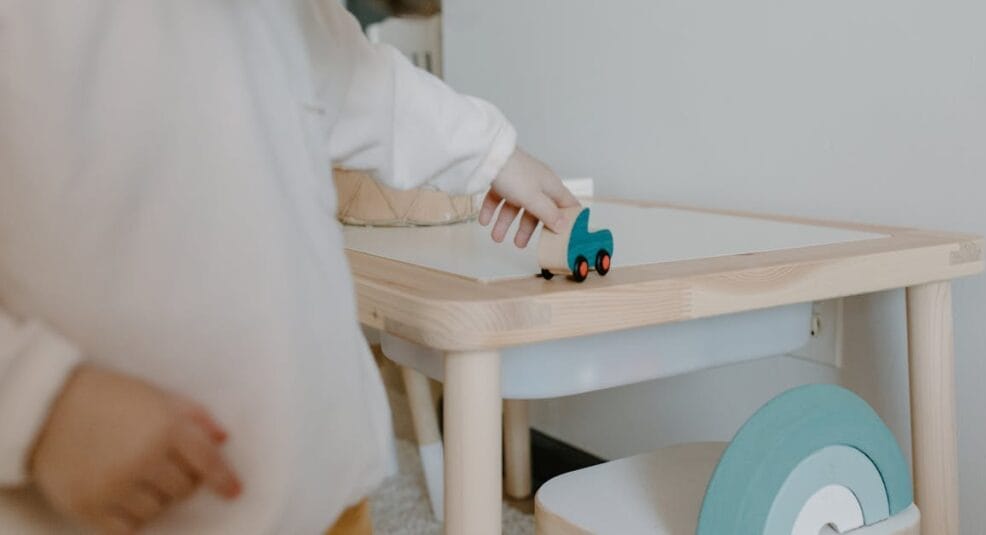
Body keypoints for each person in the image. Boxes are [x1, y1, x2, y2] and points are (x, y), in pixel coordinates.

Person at [0, 2, 577, 533]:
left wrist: (490, 152)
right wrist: (38, 402)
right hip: (111, 501)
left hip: (324, 487)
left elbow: (358, 81)